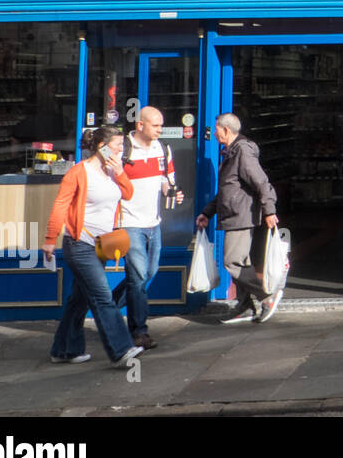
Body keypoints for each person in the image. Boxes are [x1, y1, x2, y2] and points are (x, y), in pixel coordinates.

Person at [41, 125, 145, 367]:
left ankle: (64, 350)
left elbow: (128, 194)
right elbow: (60, 206)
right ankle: (121, 350)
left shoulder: (111, 171)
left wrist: (119, 173)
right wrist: (49, 240)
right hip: (79, 244)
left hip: (101, 246)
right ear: (102, 146)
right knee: (102, 295)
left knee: (79, 299)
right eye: (118, 145)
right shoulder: (78, 173)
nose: (122, 149)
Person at [196, 113, 283, 324]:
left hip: (241, 215)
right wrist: (208, 212)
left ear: (226, 130)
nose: (213, 132)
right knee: (241, 261)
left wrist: (269, 210)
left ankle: (267, 297)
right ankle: (245, 306)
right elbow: (229, 188)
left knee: (231, 261)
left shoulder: (242, 150)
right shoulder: (230, 151)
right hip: (235, 213)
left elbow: (261, 182)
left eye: (216, 128)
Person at [112, 106, 184, 350]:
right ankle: (138, 332)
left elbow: (166, 180)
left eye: (161, 125)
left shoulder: (163, 149)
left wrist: (172, 192)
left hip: (154, 223)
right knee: (139, 277)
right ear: (139, 125)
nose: (159, 130)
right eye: (155, 125)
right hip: (129, 223)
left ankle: (108, 306)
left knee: (147, 273)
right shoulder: (122, 149)